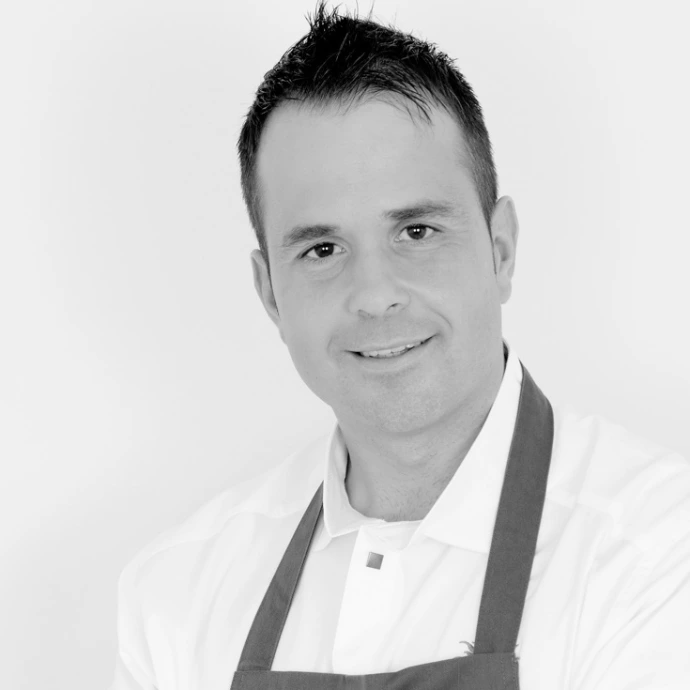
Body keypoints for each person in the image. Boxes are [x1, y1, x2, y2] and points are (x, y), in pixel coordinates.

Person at [110, 3, 690, 688]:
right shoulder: (176, 597)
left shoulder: (655, 553)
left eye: (416, 232)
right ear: (270, 294)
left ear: (501, 250)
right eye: (323, 249)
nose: (375, 294)